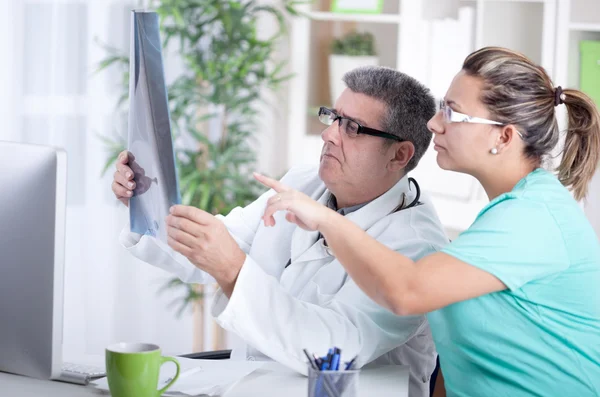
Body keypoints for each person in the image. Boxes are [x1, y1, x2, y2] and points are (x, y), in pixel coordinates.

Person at [255, 46, 600, 397]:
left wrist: (325, 220)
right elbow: (459, 361)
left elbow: (407, 291)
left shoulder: (534, 218)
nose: (434, 123)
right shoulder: (503, 215)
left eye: (453, 113)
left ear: (504, 136)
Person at [113, 66, 449, 397]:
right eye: (333, 118)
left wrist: (232, 269)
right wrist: (144, 204)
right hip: (256, 383)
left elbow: (335, 349)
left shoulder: (417, 247)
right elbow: (214, 245)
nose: (329, 135)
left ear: (399, 154)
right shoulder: (305, 182)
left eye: (352, 128)